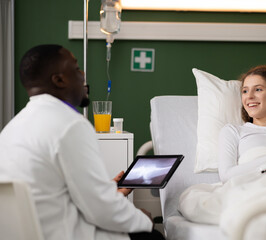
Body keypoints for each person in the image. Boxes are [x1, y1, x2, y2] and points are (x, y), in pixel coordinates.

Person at [0, 44, 164, 240]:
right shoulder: (70, 124)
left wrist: (106, 191)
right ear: (59, 80)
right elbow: (101, 211)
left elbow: (52, 194)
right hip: (64, 234)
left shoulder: (12, 128)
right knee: (150, 235)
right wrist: (144, 220)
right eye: (77, 69)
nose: (83, 75)